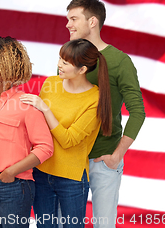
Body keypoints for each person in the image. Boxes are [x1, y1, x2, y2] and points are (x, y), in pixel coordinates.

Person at [65, 0, 145, 228]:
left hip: (104, 159)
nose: (68, 25)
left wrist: (117, 154)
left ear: (92, 22)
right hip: (70, 159)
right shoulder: (68, 59)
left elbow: (137, 111)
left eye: (73, 19)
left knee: (104, 224)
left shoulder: (120, 61)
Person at [20, 38, 112, 228]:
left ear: (82, 69)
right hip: (41, 172)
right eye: (60, 59)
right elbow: (36, 127)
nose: (59, 65)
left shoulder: (95, 99)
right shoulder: (50, 83)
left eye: (65, 62)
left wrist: (45, 109)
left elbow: (69, 140)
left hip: (71, 178)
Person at [0, 37, 54, 228]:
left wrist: (12, 171)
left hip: (15, 185)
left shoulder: (27, 103)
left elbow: (45, 147)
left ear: (5, 66)